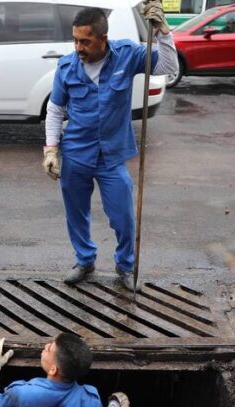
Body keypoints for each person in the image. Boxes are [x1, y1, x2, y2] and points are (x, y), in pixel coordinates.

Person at [42, 4, 178, 291]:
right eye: (75, 40)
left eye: (85, 41)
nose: (78, 47)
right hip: (76, 154)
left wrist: (163, 31)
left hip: (112, 156)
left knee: (123, 216)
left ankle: (125, 266)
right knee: (76, 214)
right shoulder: (66, 66)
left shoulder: (127, 56)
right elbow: (55, 110)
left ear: (103, 38)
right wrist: (51, 149)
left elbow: (169, 67)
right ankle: (84, 260)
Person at [0, 335, 130, 407]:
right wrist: (115, 403)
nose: (45, 346)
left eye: (49, 349)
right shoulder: (90, 401)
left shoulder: (22, 394)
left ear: (53, 370)